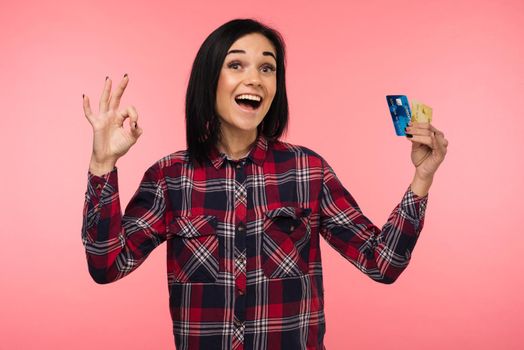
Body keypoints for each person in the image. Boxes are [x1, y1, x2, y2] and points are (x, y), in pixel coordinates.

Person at [81, 18, 448, 350]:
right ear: (210, 79)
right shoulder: (170, 177)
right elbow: (107, 265)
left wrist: (423, 176)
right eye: (236, 64)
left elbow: (381, 263)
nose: (255, 78)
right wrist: (103, 163)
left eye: (267, 67)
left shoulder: (308, 171)